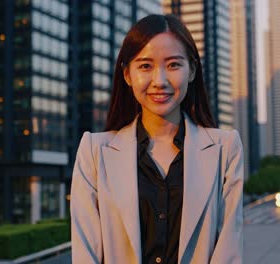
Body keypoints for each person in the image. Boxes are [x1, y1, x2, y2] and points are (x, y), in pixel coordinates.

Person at [70, 14, 243, 264]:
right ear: (127, 75)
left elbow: (228, 251)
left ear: (192, 70)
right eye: (145, 66)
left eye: (173, 65)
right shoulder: (94, 152)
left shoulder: (225, 149)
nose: (160, 81)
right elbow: (86, 253)